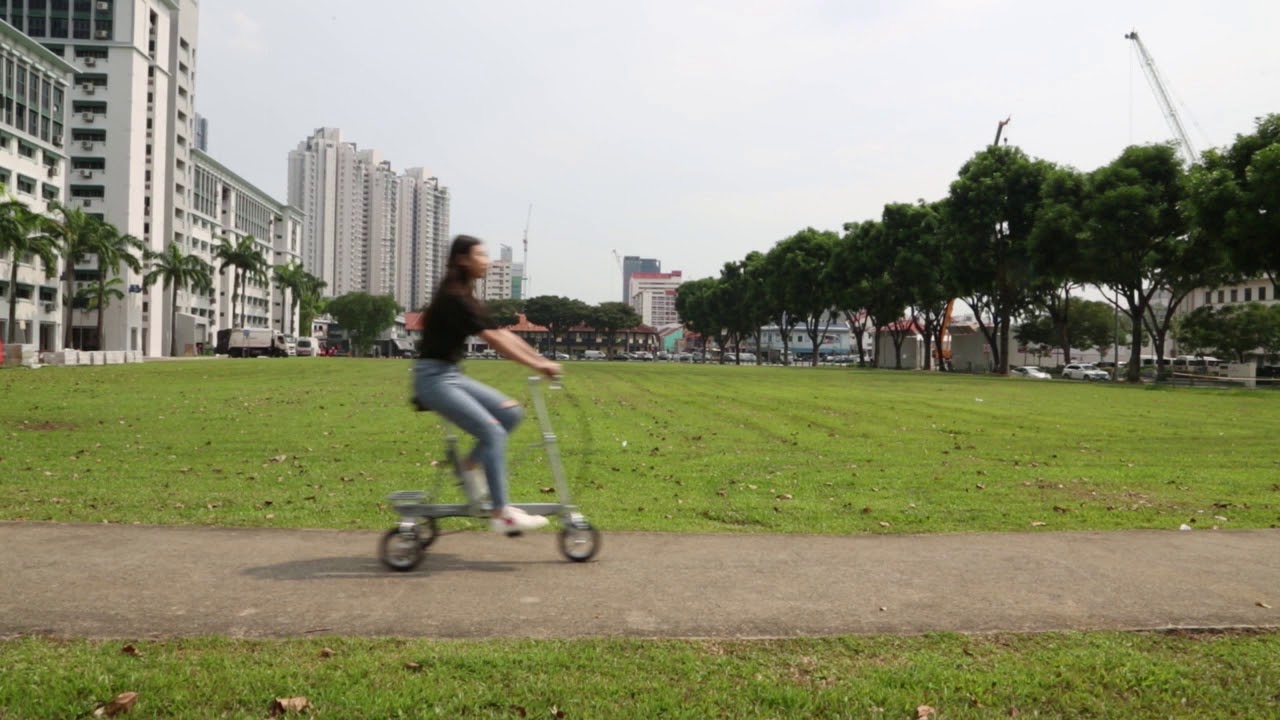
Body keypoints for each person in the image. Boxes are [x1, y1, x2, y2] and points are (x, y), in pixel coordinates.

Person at [413, 235, 562, 536]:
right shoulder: (454, 296)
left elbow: (503, 334)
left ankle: (469, 464)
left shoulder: (467, 296)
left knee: (510, 414)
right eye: (481, 255)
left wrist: (541, 359)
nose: (488, 261)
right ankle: (501, 512)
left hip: (450, 375)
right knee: (492, 430)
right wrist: (537, 365)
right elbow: (493, 340)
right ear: (462, 260)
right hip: (432, 379)